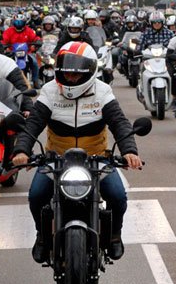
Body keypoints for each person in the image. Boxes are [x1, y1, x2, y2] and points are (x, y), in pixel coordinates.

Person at [11, 42, 143, 263]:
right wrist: (22, 150)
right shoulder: (50, 90)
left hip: (96, 158)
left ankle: (114, 236)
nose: (71, 78)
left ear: (89, 73)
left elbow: (119, 123)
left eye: (76, 74)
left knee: (118, 196)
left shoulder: (102, 91)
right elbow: (33, 123)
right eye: (67, 73)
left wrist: (129, 151)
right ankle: (42, 237)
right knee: (36, 196)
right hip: (56, 159)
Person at [1, 13, 40, 87]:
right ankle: (5, 82)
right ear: (13, 22)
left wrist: (36, 43)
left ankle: (35, 80)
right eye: (17, 22)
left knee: (35, 63)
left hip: (27, 52)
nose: (18, 24)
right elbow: (3, 41)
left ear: (24, 23)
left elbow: (35, 38)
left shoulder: (29, 30)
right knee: (5, 64)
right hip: (13, 53)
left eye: (21, 22)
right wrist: (6, 47)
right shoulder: (9, 31)